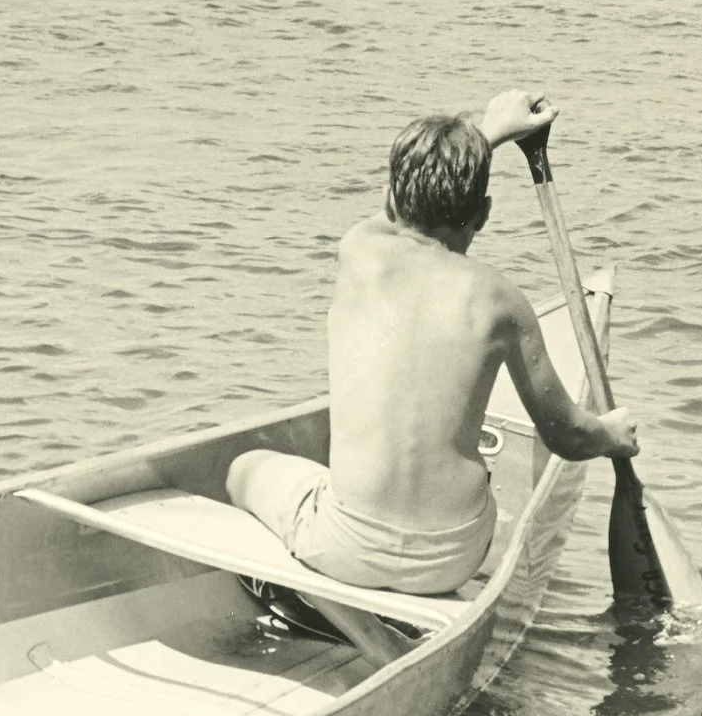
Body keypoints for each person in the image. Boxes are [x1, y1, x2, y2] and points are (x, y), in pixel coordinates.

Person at [227, 91, 638, 597]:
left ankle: (283, 585)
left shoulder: (360, 251)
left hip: (343, 549)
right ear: (483, 214)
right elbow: (569, 437)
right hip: (451, 561)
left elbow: (396, 211)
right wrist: (612, 435)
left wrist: (491, 131)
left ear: (389, 200)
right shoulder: (502, 301)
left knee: (242, 469)